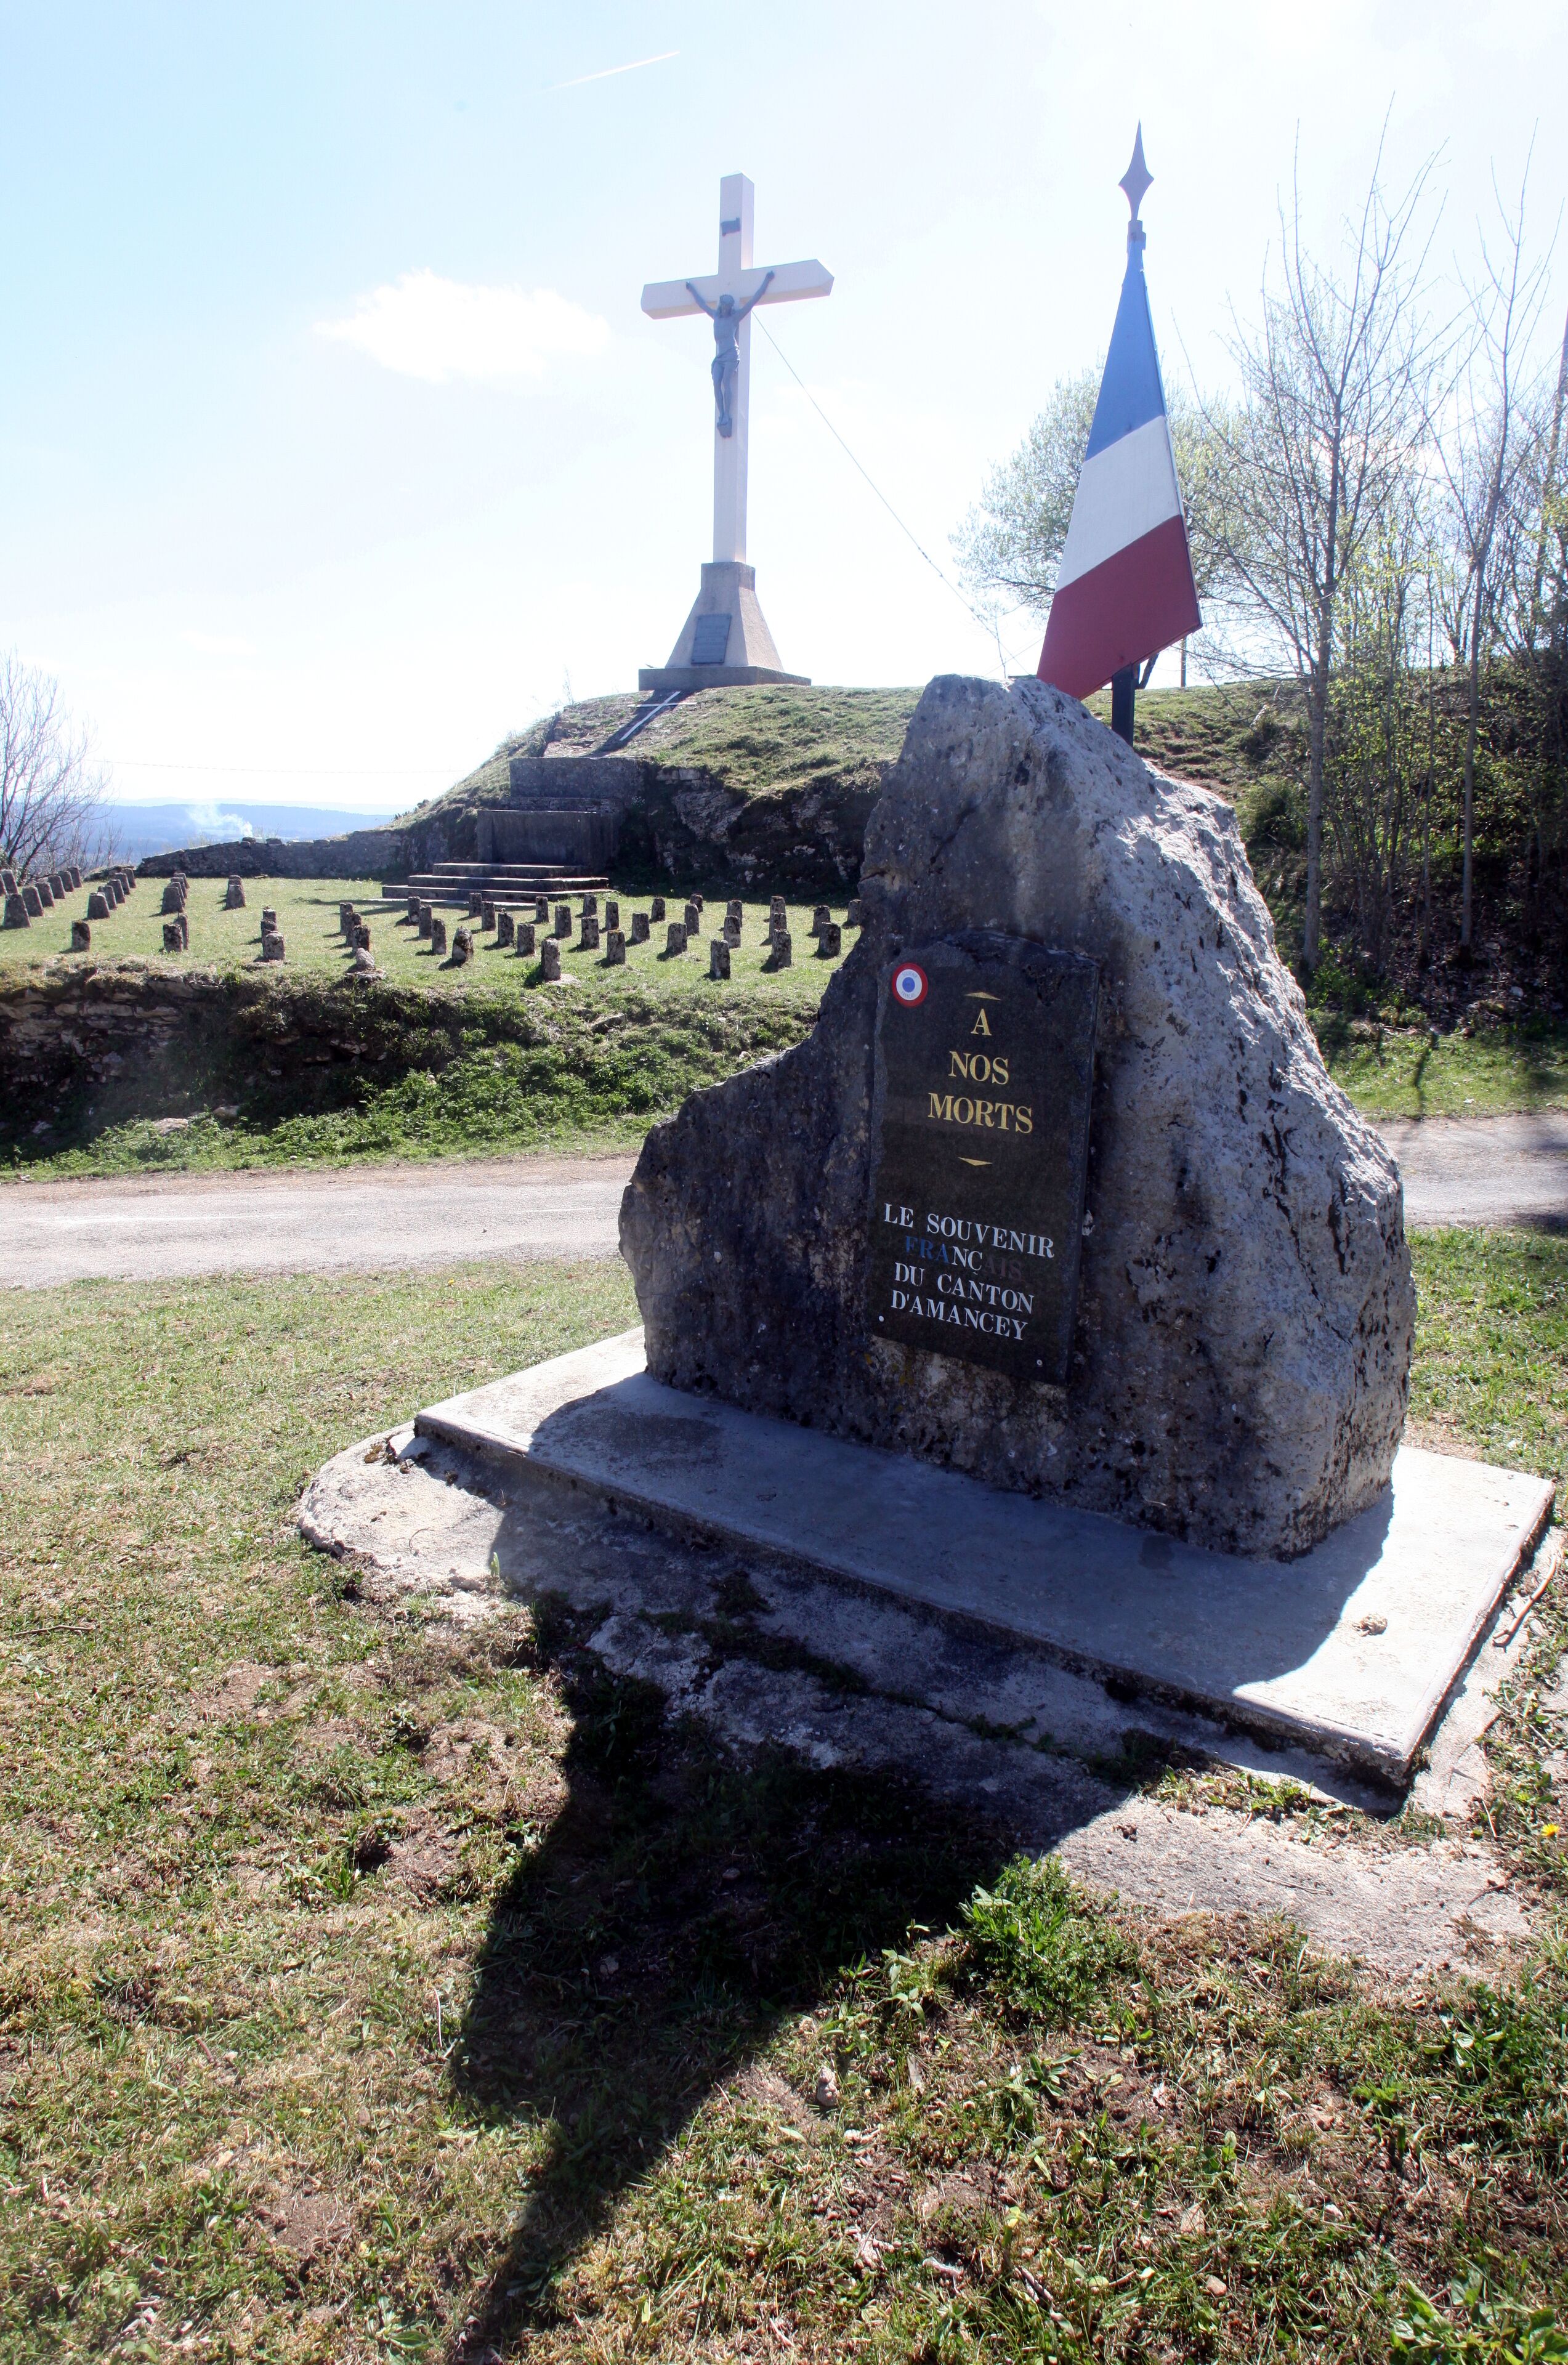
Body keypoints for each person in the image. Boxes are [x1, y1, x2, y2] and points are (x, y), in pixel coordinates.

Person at [684, 270, 774, 437]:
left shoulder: (734, 318)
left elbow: (754, 300)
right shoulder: (716, 317)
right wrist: (692, 290)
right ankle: (722, 414)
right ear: (721, 306)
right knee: (716, 383)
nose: (726, 309)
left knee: (727, 381)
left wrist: (766, 282)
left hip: (732, 354)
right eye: (724, 307)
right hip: (719, 358)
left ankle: (727, 415)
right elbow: (702, 304)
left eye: (728, 307)